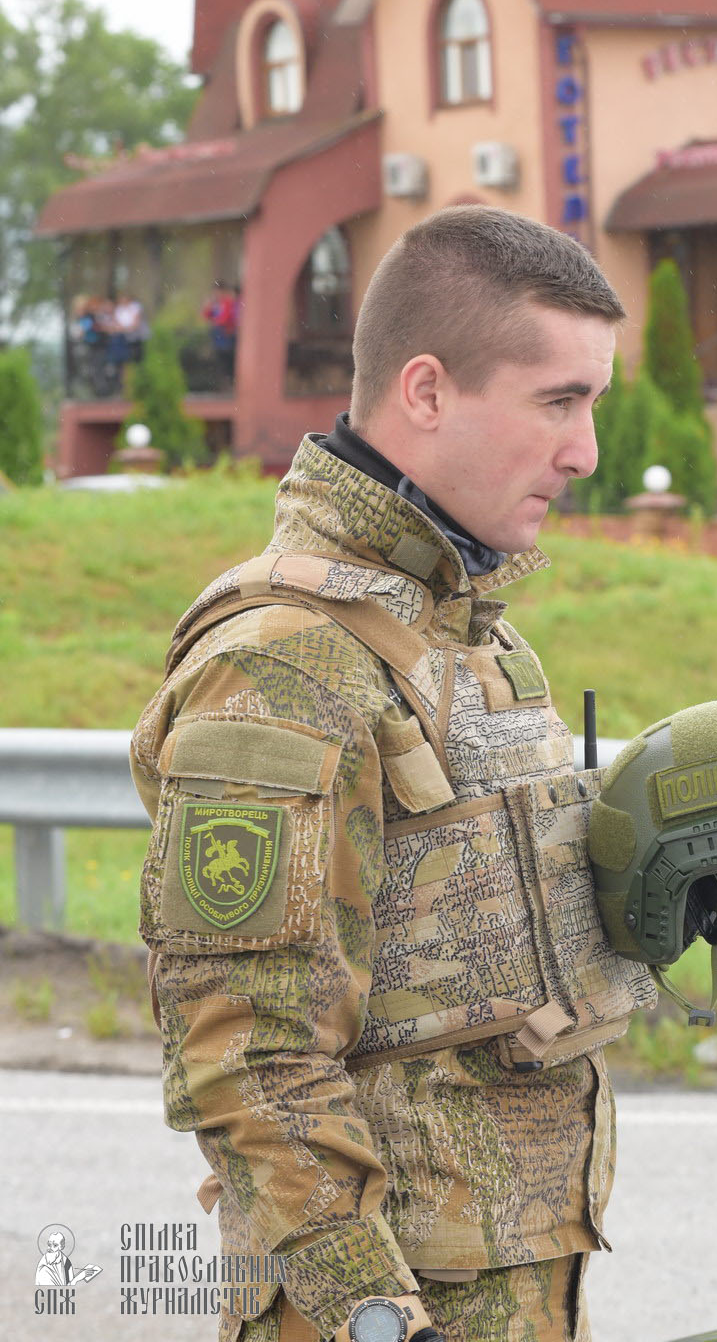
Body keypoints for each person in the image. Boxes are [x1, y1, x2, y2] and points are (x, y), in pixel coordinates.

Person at [131, 207, 659, 1342]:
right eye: (557, 401)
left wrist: (641, 892)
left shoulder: (474, 637)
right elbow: (247, 1053)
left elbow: (470, 959)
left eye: (593, 402)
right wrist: (375, 1317)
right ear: (424, 392)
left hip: (513, 1294)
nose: (587, 451)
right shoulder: (282, 664)